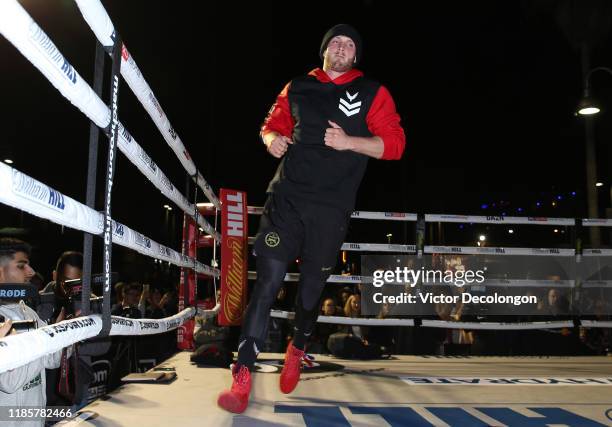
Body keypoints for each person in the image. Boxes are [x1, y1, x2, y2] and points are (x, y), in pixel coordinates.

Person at [218, 24, 406, 413]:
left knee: (310, 289)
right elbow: (271, 125)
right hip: (286, 198)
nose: (341, 48)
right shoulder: (298, 86)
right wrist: (272, 140)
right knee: (267, 282)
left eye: (349, 44)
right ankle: (243, 372)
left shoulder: (372, 91)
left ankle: (298, 345)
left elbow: (396, 145)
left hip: (331, 207)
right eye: (335, 42)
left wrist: (350, 142)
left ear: (356, 55)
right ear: (324, 50)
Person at [0, 238, 64, 427]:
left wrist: (62, 330)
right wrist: (46, 340)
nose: (32, 272)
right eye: (21, 266)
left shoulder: (27, 310)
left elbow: (53, 360)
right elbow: (10, 381)